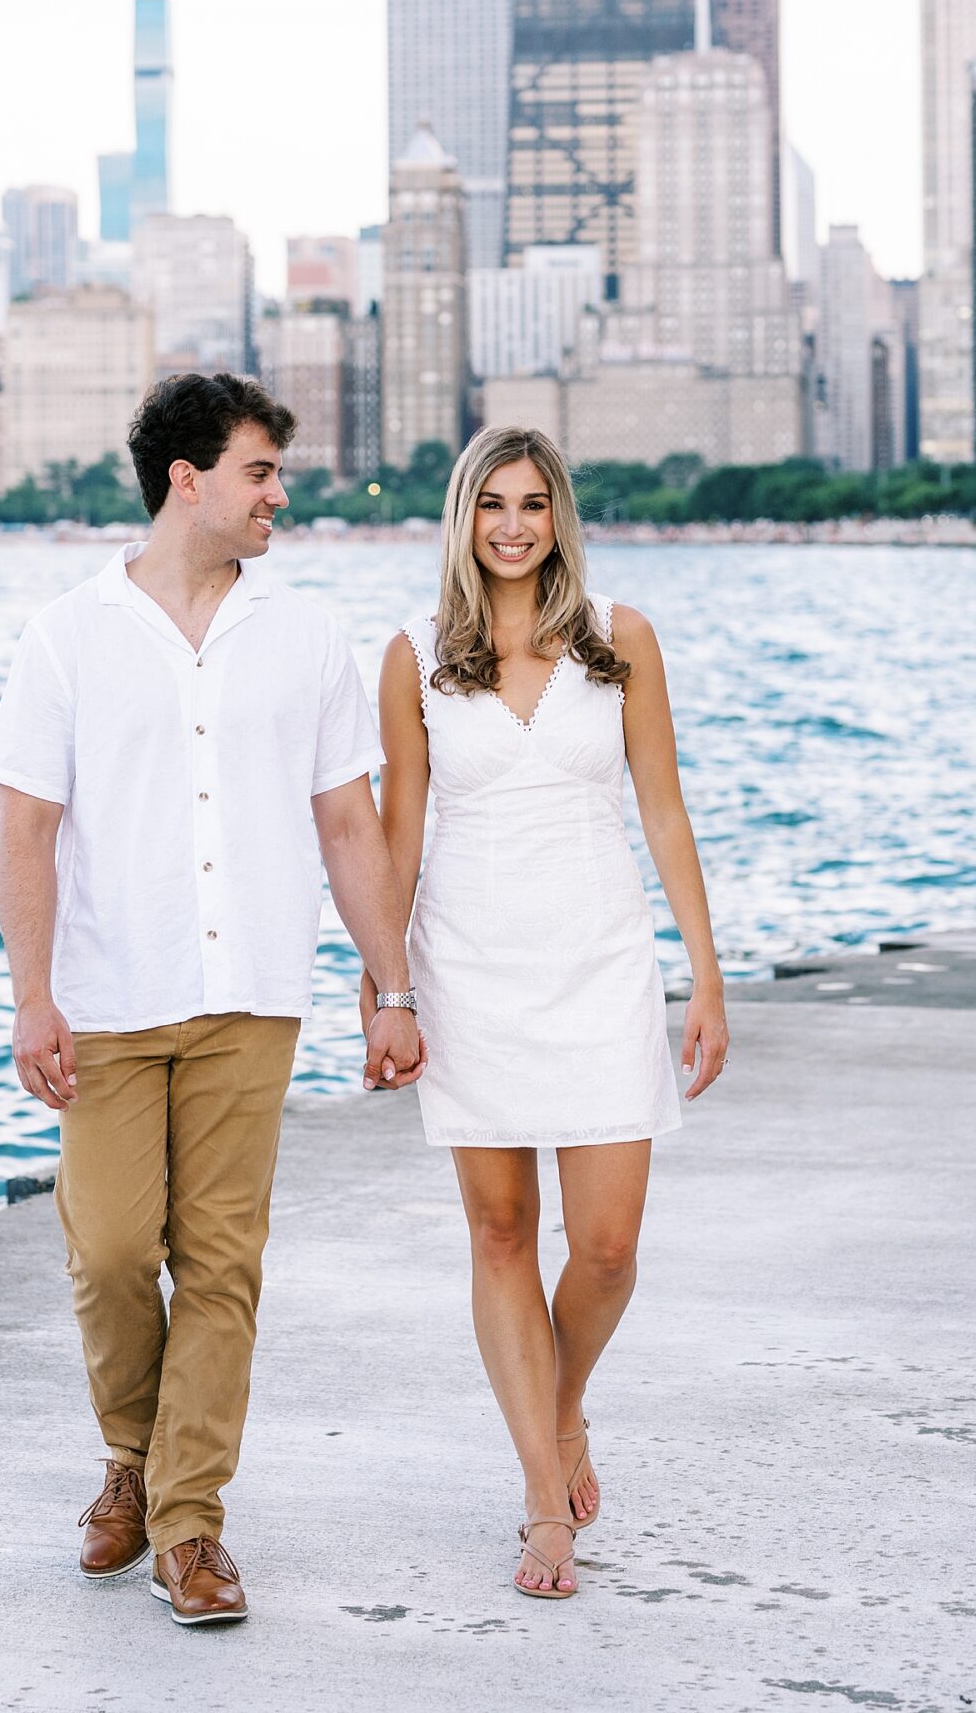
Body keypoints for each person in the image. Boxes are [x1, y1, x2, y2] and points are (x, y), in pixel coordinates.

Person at [0, 372, 423, 1630]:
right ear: (187, 480)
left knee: (221, 1263)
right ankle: (128, 1454)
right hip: (111, 998)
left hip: (253, 992)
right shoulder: (67, 633)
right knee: (113, 1248)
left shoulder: (304, 635)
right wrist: (30, 997)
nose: (279, 493)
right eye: (259, 471)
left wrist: (390, 986)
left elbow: (346, 821)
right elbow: (26, 830)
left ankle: (186, 1523)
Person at [371, 424, 728, 1601]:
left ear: (557, 515)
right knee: (501, 1233)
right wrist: (385, 987)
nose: (513, 525)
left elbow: (663, 813)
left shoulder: (619, 638)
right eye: (491, 505)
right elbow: (399, 835)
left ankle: (559, 1405)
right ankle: (541, 1498)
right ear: (462, 519)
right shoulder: (413, 656)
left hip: (599, 960)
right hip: (467, 968)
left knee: (611, 1245)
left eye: (533, 504)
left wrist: (706, 976)